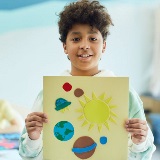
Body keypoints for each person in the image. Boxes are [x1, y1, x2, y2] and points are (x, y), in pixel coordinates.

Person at [19, 0, 156, 159]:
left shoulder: (124, 93)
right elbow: (29, 155)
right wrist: (33, 137)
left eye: (93, 38)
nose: (84, 45)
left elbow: (142, 154)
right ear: (65, 46)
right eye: (76, 39)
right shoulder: (49, 94)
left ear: (104, 45)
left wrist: (139, 141)